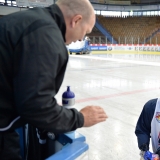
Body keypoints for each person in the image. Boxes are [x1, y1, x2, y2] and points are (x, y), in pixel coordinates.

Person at [0, 0, 108, 159]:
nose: (81, 38)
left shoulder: (29, 20)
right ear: (76, 20)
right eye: (85, 31)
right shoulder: (47, 36)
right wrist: (80, 118)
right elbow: (36, 106)